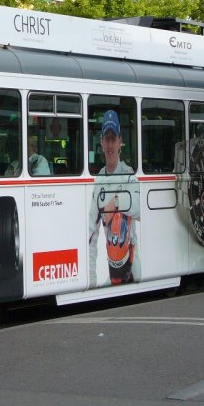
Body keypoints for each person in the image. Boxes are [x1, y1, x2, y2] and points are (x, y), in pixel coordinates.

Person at [88, 109, 140, 287]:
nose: (110, 145)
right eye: (106, 139)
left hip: (133, 265)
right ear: (101, 143)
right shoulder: (98, 182)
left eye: (113, 138)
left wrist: (116, 202)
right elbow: (91, 236)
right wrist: (91, 282)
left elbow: (141, 210)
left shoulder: (130, 175)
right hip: (111, 266)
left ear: (120, 142)